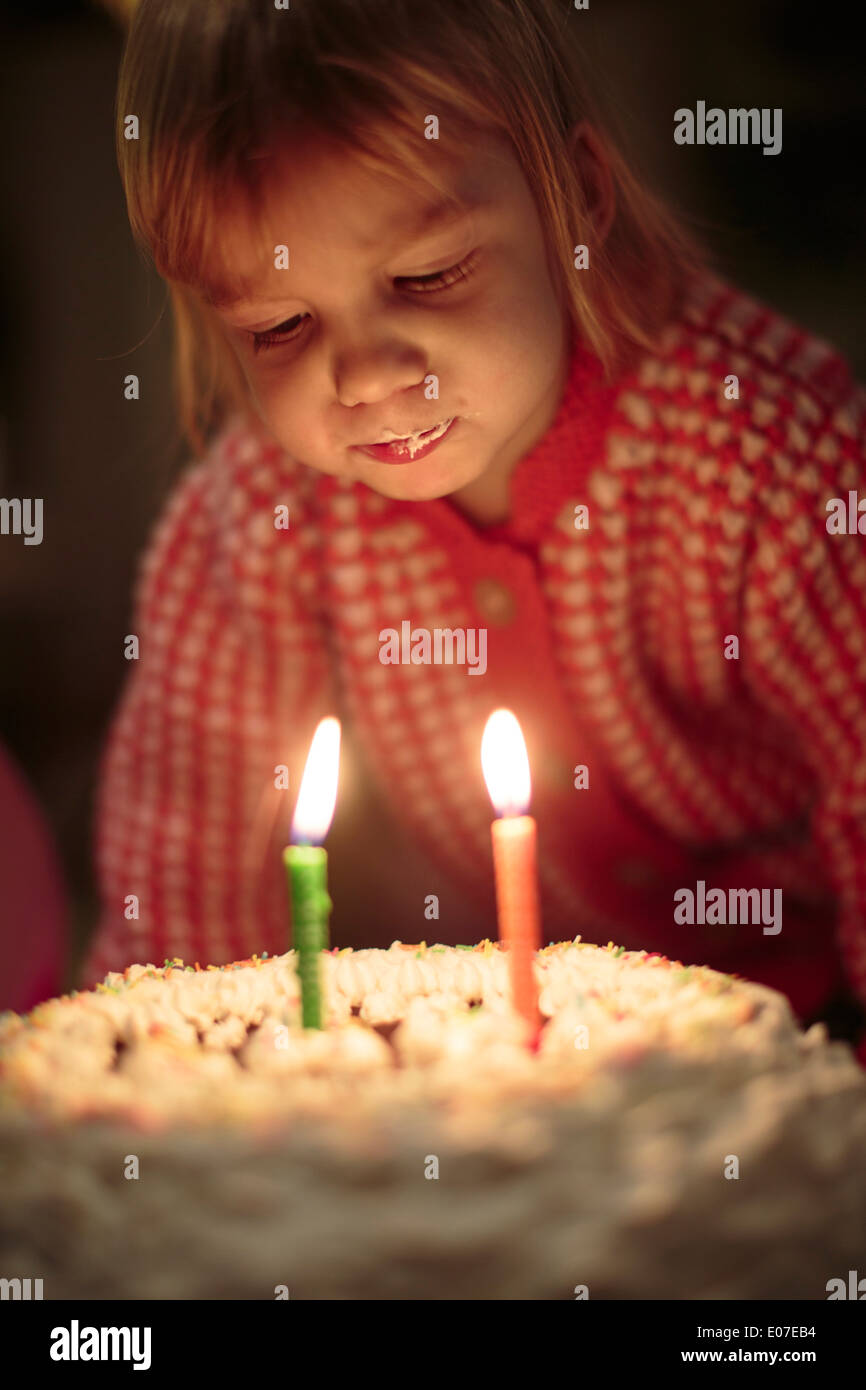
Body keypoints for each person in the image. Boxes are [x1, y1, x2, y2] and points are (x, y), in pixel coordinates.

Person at [82, 0, 866, 1061]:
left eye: (426, 275)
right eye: (277, 325)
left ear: (575, 198)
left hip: (806, 1027)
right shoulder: (257, 524)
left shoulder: (772, 455)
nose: (360, 375)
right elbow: (188, 893)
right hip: (497, 1068)